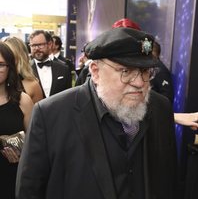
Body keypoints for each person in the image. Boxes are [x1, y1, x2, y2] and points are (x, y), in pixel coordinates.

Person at [16, 27, 177, 199]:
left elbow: (169, 179)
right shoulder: (50, 115)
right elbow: (29, 190)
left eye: (145, 71)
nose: (139, 82)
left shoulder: (161, 107)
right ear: (95, 71)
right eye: (126, 71)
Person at [0, 41, 33, 199]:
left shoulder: (23, 101)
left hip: (12, 178)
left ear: (9, 68)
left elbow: (36, 145)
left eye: (0, 64)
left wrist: (22, 155)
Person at [29, 30, 72, 98]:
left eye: (40, 45)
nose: (36, 48)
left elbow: (69, 97)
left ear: (49, 45)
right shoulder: (25, 70)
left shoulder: (64, 69)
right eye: (33, 45)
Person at [3, 36, 44, 103]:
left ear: (19, 56)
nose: (5, 58)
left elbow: (38, 112)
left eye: (9, 54)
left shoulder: (32, 85)